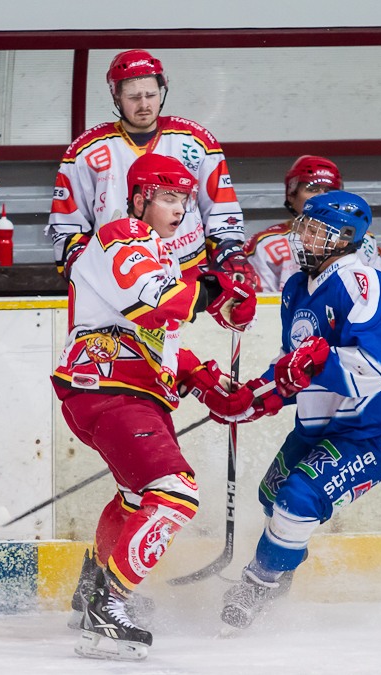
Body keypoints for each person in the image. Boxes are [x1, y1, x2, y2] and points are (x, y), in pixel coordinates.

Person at [52, 153, 257, 660]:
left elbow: (156, 338)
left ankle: (92, 590)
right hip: (108, 387)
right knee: (175, 493)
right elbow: (150, 302)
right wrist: (216, 289)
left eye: (185, 199)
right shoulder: (121, 235)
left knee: (134, 497)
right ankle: (108, 608)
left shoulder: (159, 252)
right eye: (168, 197)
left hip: (123, 390)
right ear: (140, 198)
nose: (180, 208)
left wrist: (203, 379)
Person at [207, 190, 381, 629]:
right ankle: (280, 570)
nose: (304, 237)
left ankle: (258, 584)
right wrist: (253, 398)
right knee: (272, 494)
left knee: (297, 499)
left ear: (346, 238)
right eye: (306, 227)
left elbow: (375, 368)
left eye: (317, 231)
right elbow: (292, 365)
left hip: (366, 432)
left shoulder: (363, 282)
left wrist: (320, 362)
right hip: (315, 427)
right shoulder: (297, 287)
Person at [47, 49, 254, 284]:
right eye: (134, 97)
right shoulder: (85, 151)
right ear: (117, 97)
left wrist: (228, 250)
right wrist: (79, 261)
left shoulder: (196, 142)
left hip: (190, 275)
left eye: (151, 95)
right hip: (119, 280)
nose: (144, 104)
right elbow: (68, 226)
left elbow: (221, 211)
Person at [245, 155, 381, 293]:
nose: (321, 197)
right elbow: (259, 302)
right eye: (312, 189)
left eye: (329, 190)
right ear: (292, 195)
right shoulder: (265, 244)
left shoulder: (363, 240)